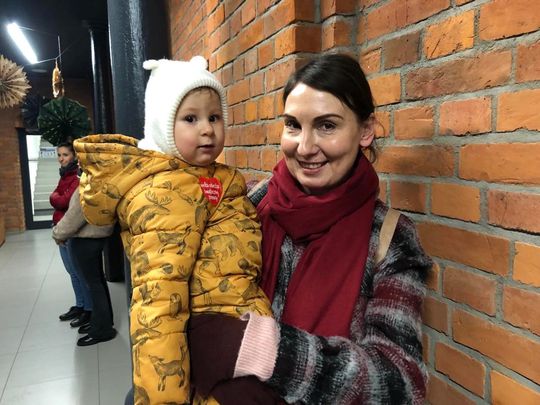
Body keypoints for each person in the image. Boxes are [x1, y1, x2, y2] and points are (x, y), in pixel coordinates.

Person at [188, 53, 433, 405]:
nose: (304, 147)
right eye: (293, 125)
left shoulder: (390, 238)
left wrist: (265, 349)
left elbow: (401, 384)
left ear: (365, 131)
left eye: (327, 126)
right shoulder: (247, 204)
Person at [73, 56, 273, 404]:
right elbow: (158, 305)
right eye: (190, 119)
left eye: (214, 117)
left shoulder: (218, 178)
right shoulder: (164, 193)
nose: (207, 129)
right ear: (164, 127)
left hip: (240, 332)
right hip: (203, 344)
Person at [52, 187, 116, 346]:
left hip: (86, 239)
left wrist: (58, 233)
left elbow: (76, 213)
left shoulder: (91, 183)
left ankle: (102, 330)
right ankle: (102, 322)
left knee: (93, 285)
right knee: (97, 283)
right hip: (96, 236)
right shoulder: (105, 180)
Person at [50, 142, 92, 328]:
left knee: (79, 273)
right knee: (72, 273)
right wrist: (56, 196)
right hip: (61, 228)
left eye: (65, 155)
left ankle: (89, 310)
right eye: (59, 155)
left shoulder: (76, 177)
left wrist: (54, 196)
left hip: (71, 231)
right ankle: (80, 305)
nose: (61, 159)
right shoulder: (64, 176)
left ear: (74, 156)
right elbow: (58, 197)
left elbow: (62, 201)